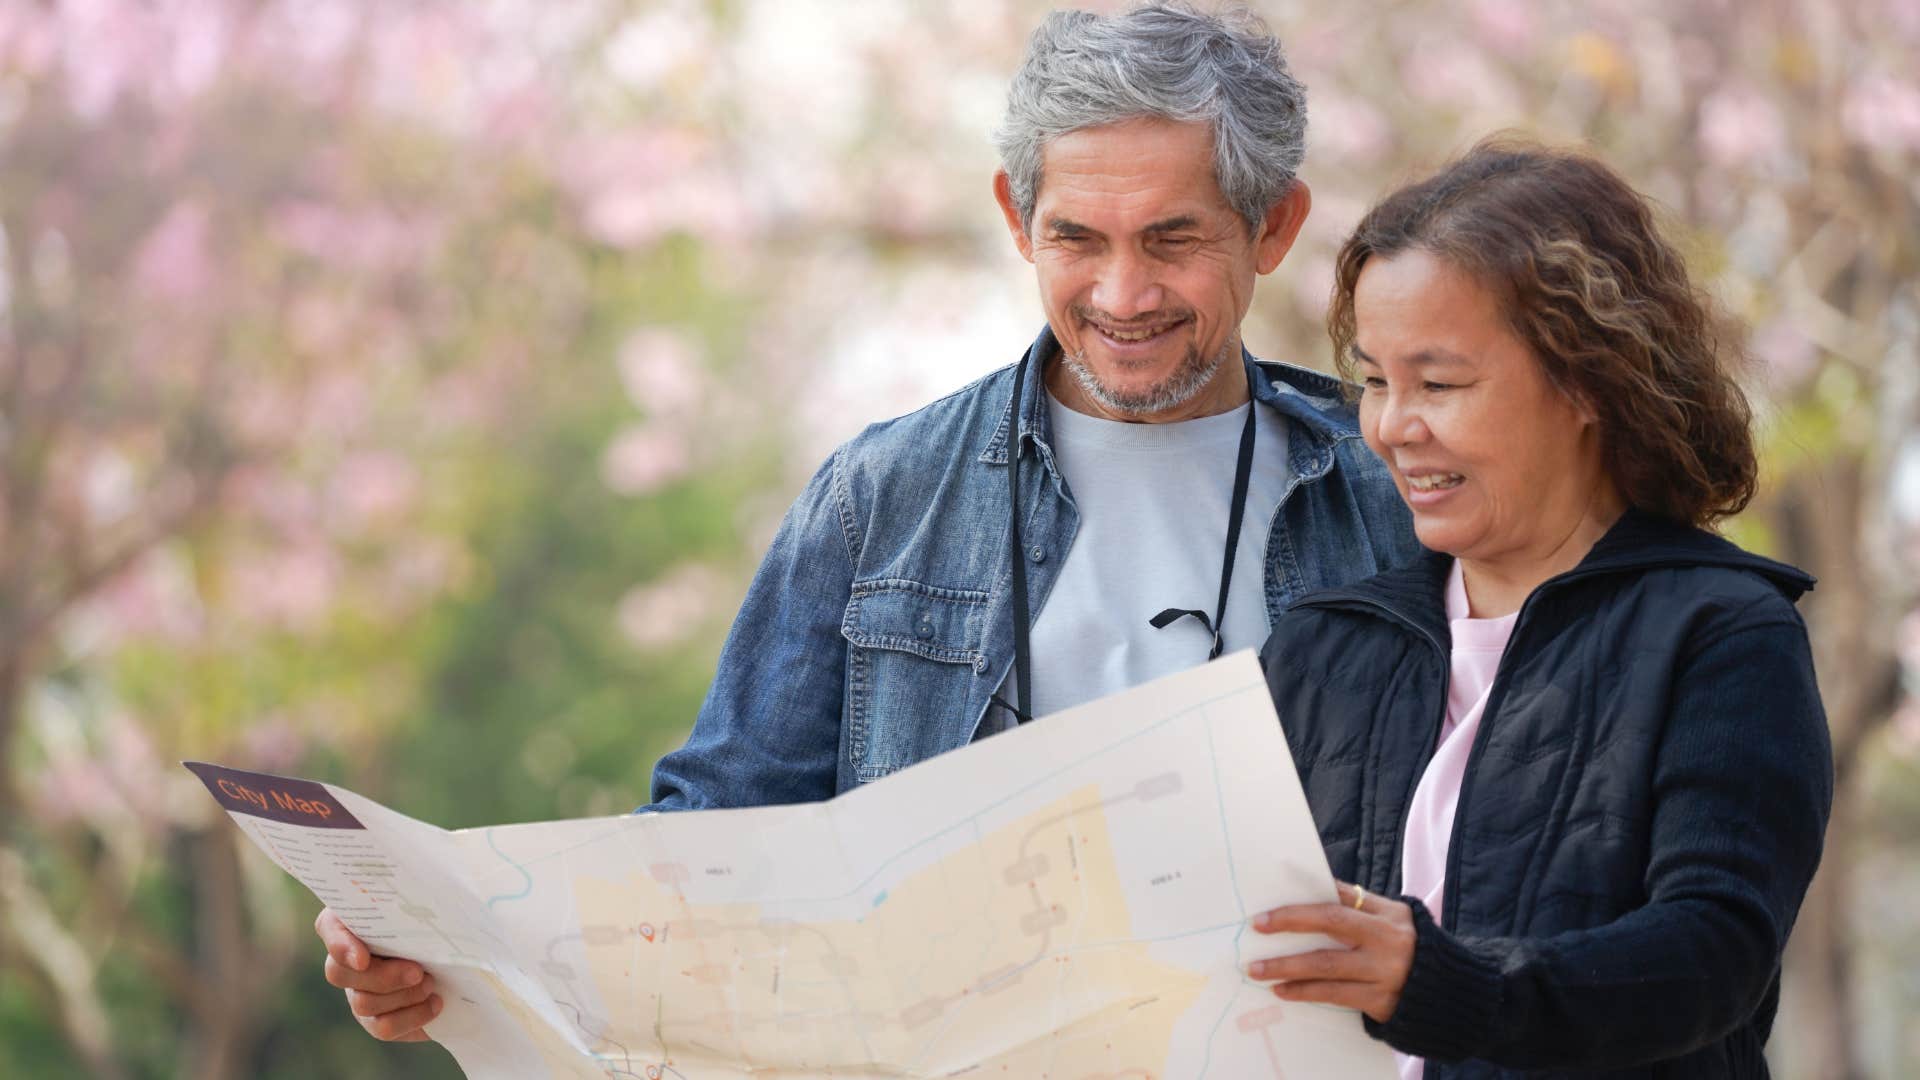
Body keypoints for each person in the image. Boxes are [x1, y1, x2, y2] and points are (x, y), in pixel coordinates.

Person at [313, 3, 1419, 1044]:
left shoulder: (1398, 499)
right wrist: (455, 953)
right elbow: (712, 842)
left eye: (1172, 241)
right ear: (1013, 215)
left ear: (1273, 226)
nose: (1122, 295)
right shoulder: (880, 495)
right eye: (1077, 239)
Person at [1244, 139, 1833, 1078]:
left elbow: (1712, 956)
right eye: (1377, 380)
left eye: (1439, 384)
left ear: (1587, 380)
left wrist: (1447, 987)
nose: (1394, 426)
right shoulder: (1324, 646)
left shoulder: (1722, 633)